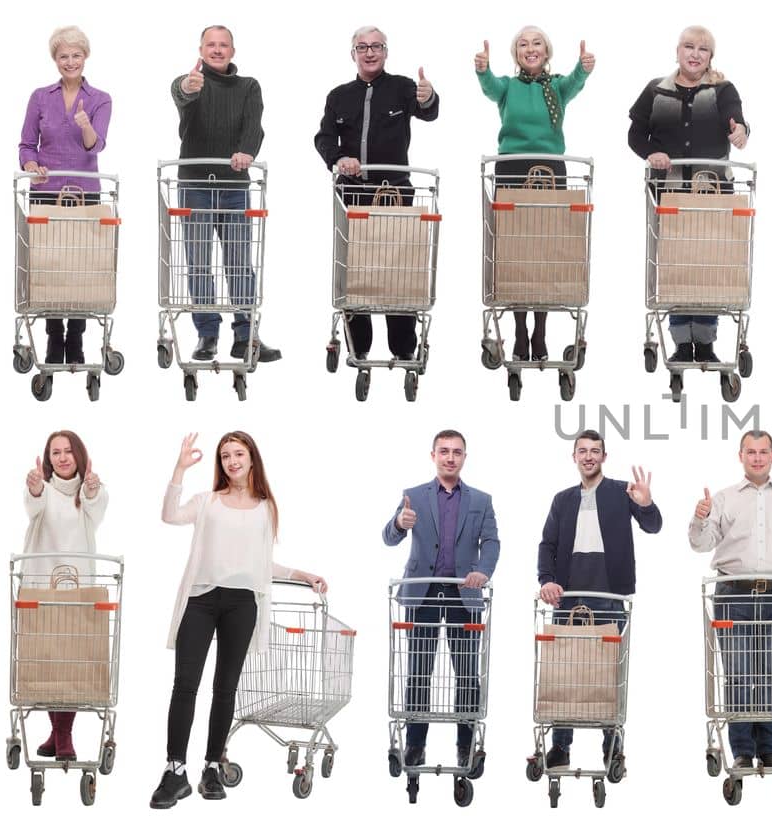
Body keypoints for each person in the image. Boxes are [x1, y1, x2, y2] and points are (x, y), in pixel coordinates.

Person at [151, 432, 326, 808]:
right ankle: (174, 771)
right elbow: (169, 515)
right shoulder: (208, 502)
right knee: (185, 685)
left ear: (252, 459)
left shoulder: (266, 507)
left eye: (239, 454)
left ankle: (212, 766)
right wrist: (179, 470)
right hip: (200, 599)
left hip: (241, 604)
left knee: (225, 688)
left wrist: (302, 574)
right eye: (226, 455)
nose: (232, 461)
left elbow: (260, 564)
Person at [689, 430, 772, 769]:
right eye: (751, 452)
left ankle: (768, 748)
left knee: (770, 673)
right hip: (733, 594)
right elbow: (701, 544)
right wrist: (700, 517)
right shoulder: (723, 499)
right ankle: (741, 752)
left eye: (763, 452)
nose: (757, 458)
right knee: (736, 673)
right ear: (741, 456)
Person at [537, 430, 662, 769]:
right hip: (568, 597)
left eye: (595, 451)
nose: (589, 456)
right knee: (563, 673)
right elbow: (547, 545)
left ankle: (612, 747)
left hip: (609, 596)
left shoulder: (622, 492)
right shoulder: (562, 499)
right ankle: (560, 747)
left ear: (604, 457)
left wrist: (646, 504)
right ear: (574, 457)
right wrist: (547, 581)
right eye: (582, 451)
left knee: (609, 675)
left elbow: (654, 527)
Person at [315, 25, 440, 363]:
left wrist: (428, 97)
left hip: (395, 194)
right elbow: (324, 138)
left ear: (386, 52)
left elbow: (429, 111)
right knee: (355, 270)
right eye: (362, 47)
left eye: (376, 46)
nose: (369, 52)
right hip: (353, 196)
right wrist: (339, 159)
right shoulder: (338, 95)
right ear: (352, 53)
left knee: (397, 269)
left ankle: (403, 347)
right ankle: (360, 346)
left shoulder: (402, 88)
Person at [628, 25, 751, 364]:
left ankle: (707, 342)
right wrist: (651, 152)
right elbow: (636, 134)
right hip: (669, 194)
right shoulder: (656, 90)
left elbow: (737, 120)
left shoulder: (721, 89)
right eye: (689, 47)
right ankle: (682, 342)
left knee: (707, 264)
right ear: (677, 51)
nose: (695, 54)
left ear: (711, 56)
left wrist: (740, 131)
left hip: (712, 191)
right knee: (676, 264)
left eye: (703, 49)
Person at [477, 28, 595, 362]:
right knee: (515, 249)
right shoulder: (507, 87)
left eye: (537, 43)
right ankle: (519, 331)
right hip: (512, 167)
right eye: (523, 44)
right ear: (516, 53)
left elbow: (574, 82)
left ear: (546, 50)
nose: (530, 48)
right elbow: (489, 87)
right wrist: (483, 69)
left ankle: (540, 331)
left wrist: (583, 67)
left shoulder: (556, 87)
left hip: (550, 168)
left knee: (545, 249)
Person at [384, 430, 499, 769]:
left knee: (466, 674)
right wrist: (399, 523)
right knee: (419, 673)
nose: (451, 457)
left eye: (457, 452)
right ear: (433, 455)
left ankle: (465, 746)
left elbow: (491, 542)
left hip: (464, 593)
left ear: (465, 457)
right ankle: (415, 745)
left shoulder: (481, 500)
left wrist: (483, 571)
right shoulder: (413, 496)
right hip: (423, 594)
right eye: (444, 451)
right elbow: (389, 538)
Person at [170, 25, 281, 363]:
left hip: (233, 186)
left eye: (223, 45)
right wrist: (188, 86)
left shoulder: (249, 86)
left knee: (239, 262)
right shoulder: (191, 82)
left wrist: (246, 151)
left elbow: (254, 124)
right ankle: (207, 334)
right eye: (210, 45)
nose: (217, 50)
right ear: (201, 49)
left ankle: (246, 335)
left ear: (233, 51)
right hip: (196, 186)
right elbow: (181, 93)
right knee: (199, 262)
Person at [18, 26, 111, 366]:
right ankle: (54, 339)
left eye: (76, 55)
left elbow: (94, 144)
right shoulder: (40, 97)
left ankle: (77, 338)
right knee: (50, 268)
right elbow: (27, 143)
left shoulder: (100, 98)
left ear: (85, 57)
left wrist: (85, 123)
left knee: (82, 268)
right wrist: (30, 162)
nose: (70, 61)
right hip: (46, 192)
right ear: (55, 59)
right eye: (63, 56)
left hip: (85, 194)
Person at [21, 430, 108, 761]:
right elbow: (34, 504)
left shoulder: (90, 491)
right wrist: (33, 488)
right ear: (48, 459)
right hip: (41, 586)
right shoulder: (42, 489)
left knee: (70, 661)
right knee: (46, 660)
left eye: (68, 451)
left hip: (77, 589)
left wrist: (92, 490)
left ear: (79, 455)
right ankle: (58, 735)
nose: (62, 457)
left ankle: (63, 736)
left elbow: (96, 509)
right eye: (55, 452)